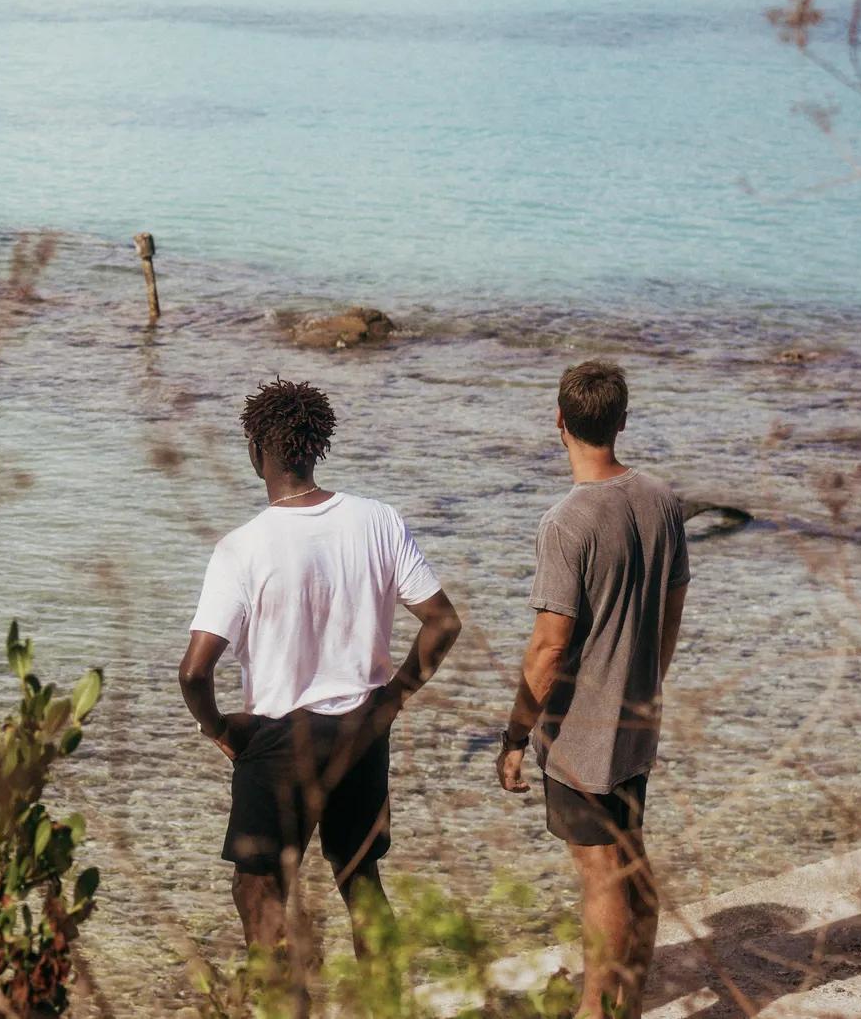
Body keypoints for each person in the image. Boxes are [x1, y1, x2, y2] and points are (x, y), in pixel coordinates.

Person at [178, 377, 461, 963]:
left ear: (256, 452)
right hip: (362, 728)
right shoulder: (378, 520)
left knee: (260, 891)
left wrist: (222, 731)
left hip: (280, 740)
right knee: (361, 884)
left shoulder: (242, 547)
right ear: (317, 447)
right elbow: (442, 623)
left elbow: (193, 673)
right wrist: (393, 698)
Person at [497, 360, 689, 1019]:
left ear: (559, 420)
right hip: (636, 717)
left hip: (582, 733)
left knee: (601, 873)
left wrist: (516, 734)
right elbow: (673, 606)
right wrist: (648, 683)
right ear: (622, 421)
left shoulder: (565, 522)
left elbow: (550, 645)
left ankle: (594, 1011)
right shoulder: (663, 498)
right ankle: (628, 1002)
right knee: (632, 862)